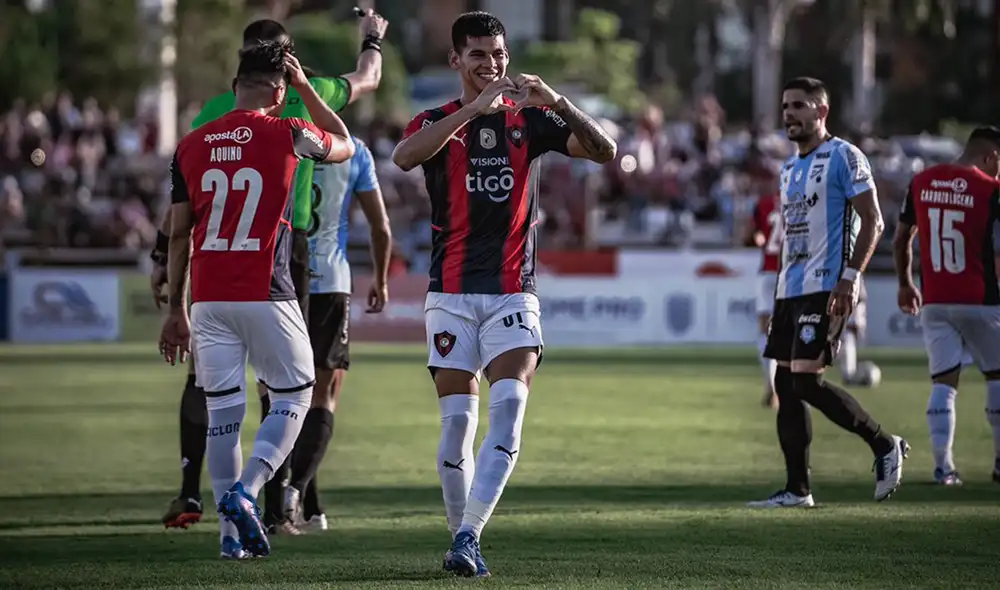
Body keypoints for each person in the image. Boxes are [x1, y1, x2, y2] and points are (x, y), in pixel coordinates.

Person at [392, 11, 616, 577]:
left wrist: (559, 101)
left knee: (509, 414)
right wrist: (473, 109)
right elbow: (404, 156)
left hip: (514, 293)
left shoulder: (531, 121)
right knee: (457, 426)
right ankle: (459, 539)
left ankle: (468, 536)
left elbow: (605, 151)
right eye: (478, 56)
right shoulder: (439, 120)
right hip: (451, 293)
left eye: (498, 54)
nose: (492, 64)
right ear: (456, 61)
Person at [153, 11, 388, 532]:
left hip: (208, 287)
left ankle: (217, 521)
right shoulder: (293, 122)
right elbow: (356, 112)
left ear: (237, 76)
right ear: (287, 74)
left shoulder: (198, 131)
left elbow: (177, 221)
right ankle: (265, 493)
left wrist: (173, 300)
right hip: (276, 268)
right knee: (295, 390)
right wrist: (367, 39)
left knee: (220, 405)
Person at [750, 76, 908, 509]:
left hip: (828, 283)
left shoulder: (844, 157)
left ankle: (883, 444)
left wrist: (852, 276)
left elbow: (873, 220)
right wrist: (781, 287)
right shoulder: (788, 169)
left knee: (805, 379)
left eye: (799, 106)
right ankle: (797, 490)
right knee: (786, 381)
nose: (789, 115)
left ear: (822, 111)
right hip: (790, 287)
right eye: (785, 107)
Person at [281, 134, 392, 531]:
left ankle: (301, 506)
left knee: (277, 393)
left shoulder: (278, 137)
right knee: (324, 394)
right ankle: (295, 490)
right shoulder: (355, 148)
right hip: (330, 278)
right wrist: (380, 278)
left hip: (279, 279)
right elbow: (380, 226)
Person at [892, 126, 1000, 486]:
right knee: (997, 378)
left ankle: (944, 467)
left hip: (935, 300)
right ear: (991, 157)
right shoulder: (992, 190)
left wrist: (906, 283)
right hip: (983, 299)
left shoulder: (921, 181)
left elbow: (901, 239)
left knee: (943, 383)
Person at [747, 191, 781, 408]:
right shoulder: (803, 198)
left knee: (765, 329)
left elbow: (752, 235)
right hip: (793, 272)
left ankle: (771, 385)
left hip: (768, 270)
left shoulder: (764, 202)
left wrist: (759, 238)